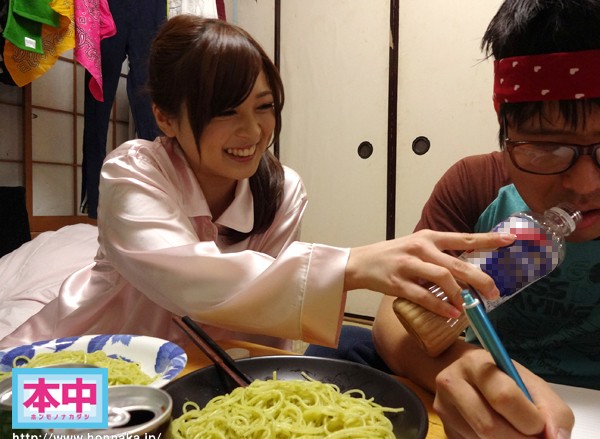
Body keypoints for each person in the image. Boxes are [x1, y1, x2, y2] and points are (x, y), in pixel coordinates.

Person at [0, 15, 512, 351]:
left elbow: (262, 310)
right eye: (225, 111)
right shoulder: (132, 170)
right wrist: (351, 266)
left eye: (264, 107)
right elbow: (187, 281)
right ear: (165, 117)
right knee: (42, 429)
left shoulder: (282, 189)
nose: (252, 133)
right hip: (89, 358)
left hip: (199, 369)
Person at [373, 0, 600, 439]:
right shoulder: (476, 185)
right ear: (505, 135)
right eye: (546, 149)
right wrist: (456, 367)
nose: (584, 184)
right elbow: (391, 318)